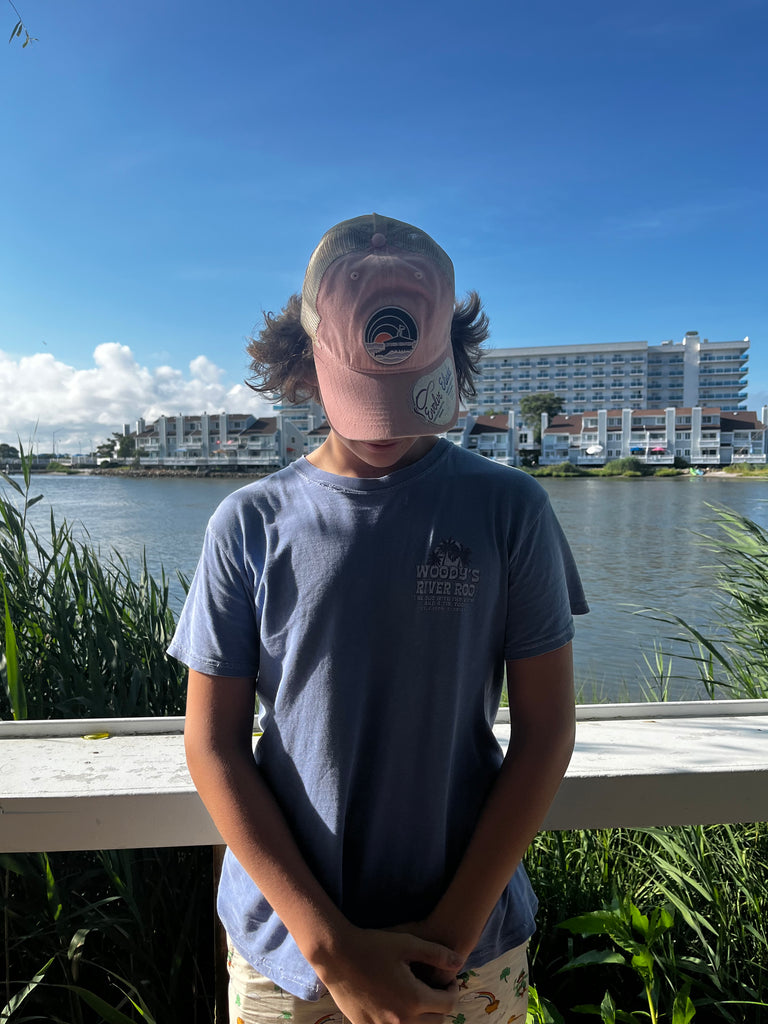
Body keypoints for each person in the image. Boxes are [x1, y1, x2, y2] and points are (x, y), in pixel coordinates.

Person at [170, 213, 588, 1024]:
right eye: (363, 396)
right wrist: (330, 948)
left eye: (409, 396)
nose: (387, 429)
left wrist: (446, 944)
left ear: (450, 356)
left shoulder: (511, 510)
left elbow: (546, 734)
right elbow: (211, 743)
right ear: (306, 360)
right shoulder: (247, 523)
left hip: (470, 949)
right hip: (286, 951)